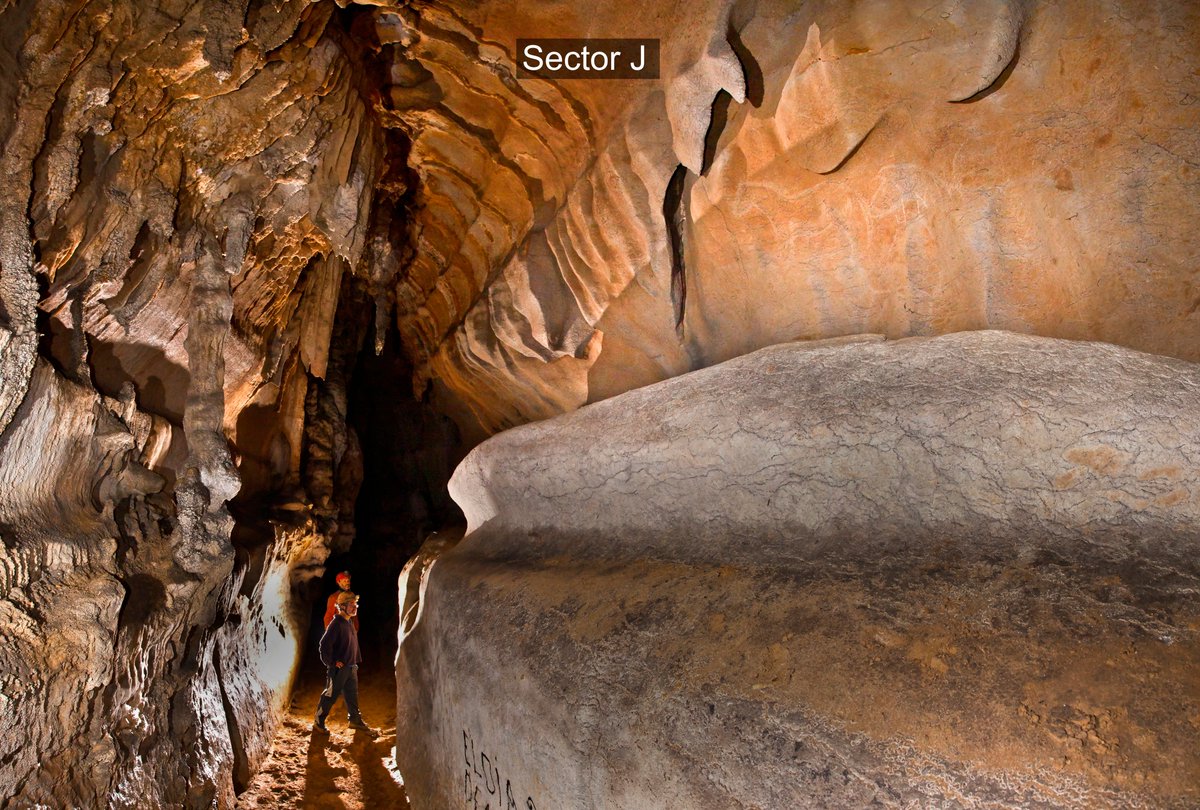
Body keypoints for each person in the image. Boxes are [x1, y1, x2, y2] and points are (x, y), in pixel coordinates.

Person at [314, 591, 378, 737]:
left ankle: (355, 720)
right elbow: (324, 645)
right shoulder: (336, 623)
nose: (355, 607)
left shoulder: (349, 622)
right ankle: (319, 721)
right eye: (351, 605)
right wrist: (331, 663)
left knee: (352, 695)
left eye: (356, 604)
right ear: (342, 606)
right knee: (330, 695)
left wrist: (354, 662)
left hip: (351, 666)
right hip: (339, 669)